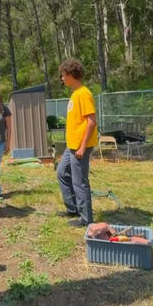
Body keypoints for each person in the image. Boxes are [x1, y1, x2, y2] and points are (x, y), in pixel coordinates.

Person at [56, 58, 98, 227]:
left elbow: (91, 122)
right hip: (71, 146)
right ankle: (72, 208)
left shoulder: (84, 94)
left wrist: (82, 147)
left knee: (79, 182)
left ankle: (86, 218)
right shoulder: (75, 94)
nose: (62, 78)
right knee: (62, 173)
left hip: (80, 147)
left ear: (71, 75)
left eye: (63, 75)